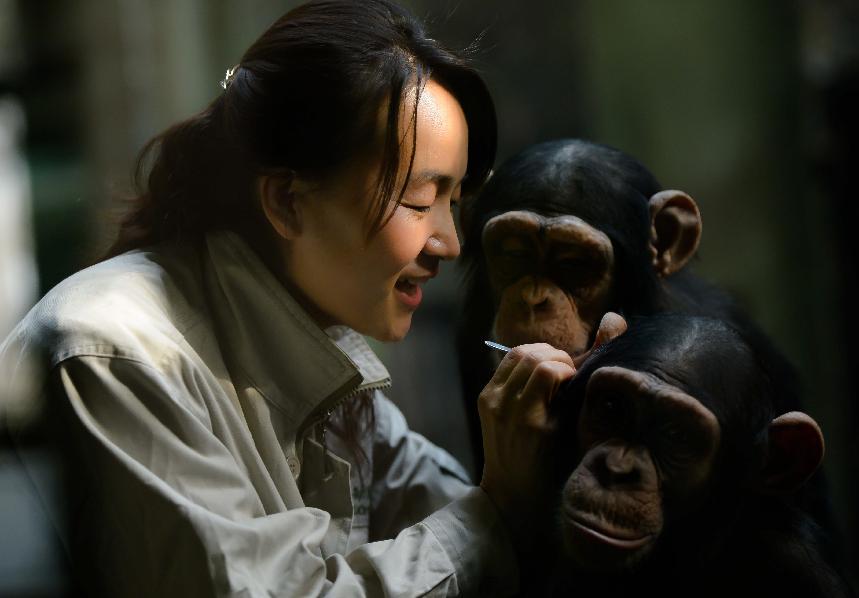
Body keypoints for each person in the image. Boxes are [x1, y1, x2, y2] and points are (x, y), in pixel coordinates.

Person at [0, 1, 581, 596]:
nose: (451, 243)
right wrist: (498, 507)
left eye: (452, 202)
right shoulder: (116, 352)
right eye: (416, 199)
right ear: (285, 200)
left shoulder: (313, 337)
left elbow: (444, 503)